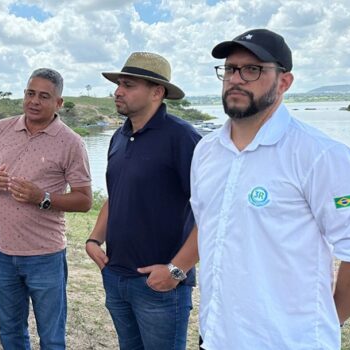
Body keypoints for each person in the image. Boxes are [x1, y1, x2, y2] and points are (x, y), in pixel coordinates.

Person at [192, 28, 350, 349]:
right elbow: (208, 229)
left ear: (284, 82)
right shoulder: (206, 151)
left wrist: (326, 320)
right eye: (230, 69)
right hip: (216, 336)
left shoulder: (321, 156)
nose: (236, 78)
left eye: (252, 69)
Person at [85, 52, 201, 350]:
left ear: (157, 92)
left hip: (160, 285)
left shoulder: (183, 138)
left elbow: (211, 212)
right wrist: (94, 240)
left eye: (128, 85)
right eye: (118, 84)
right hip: (115, 275)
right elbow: (117, 194)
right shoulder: (119, 137)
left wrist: (176, 271)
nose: (117, 91)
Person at [0, 68, 92, 349]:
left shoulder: (72, 142)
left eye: (44, 96)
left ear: (58, 103)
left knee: (51, 338)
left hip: (45, 256)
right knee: (10, 334)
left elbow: (85, 199)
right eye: (30, 93)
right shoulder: (0, 128)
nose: (34, 101)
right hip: (2, 253)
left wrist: (43, 197)